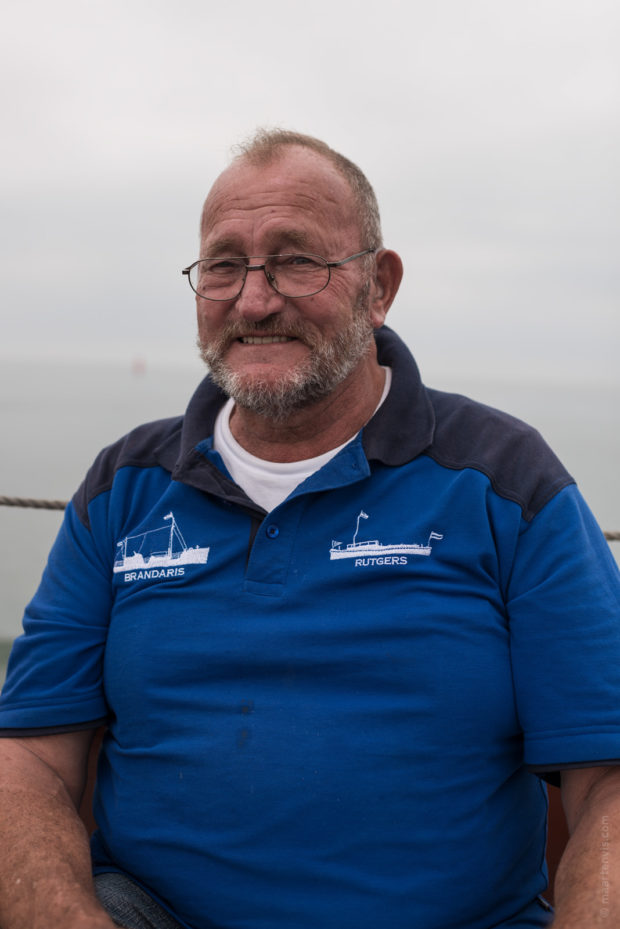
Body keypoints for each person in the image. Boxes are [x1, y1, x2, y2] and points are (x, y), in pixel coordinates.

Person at [1, 129, 619, 929]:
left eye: (297, 260)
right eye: (224, 265)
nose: (255, 300)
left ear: (379, 285)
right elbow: (31, 758)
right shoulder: (122, 489)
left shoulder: (506, 482)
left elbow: (607, 780)